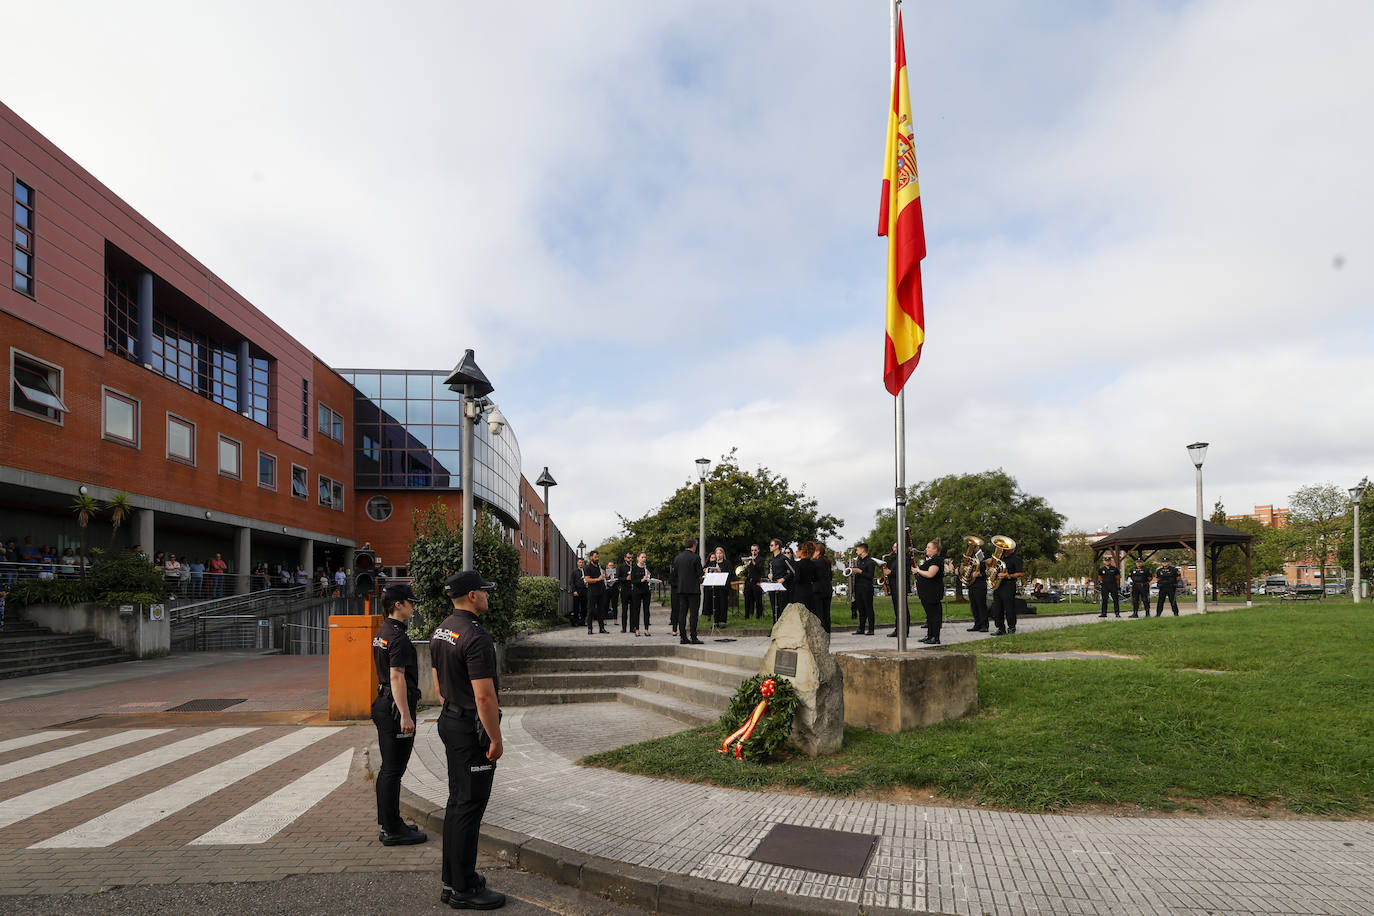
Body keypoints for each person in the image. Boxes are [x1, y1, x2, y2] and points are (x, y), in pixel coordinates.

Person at [431, 570, 506, 910]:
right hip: (468, 727)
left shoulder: (442, 628)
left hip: (449, 718)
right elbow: (485, 697)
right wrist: (495, 738)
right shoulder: (476, 636)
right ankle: (464, 888)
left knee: (457, 802)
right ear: (473, 596)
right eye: (485, 591)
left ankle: (454, 881)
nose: (488, 596)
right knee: (469, 807)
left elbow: (437, 682)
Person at [372, 582, 427, 847]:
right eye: (410, 602)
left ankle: (390, 823)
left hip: (383, 703)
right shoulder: (399, 637)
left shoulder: (383, 631)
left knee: (388, 770)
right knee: (393, 770)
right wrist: (405, 715)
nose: (413, 606)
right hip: (395, 708)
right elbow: (397, 676)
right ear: (398, 604)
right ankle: (392, 829)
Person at [910, 539, 946, 644]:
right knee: (929, 615)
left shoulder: (937, 560)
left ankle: (935, 637)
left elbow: (930, 574)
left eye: (929, 547)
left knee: (934, 615)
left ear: (935, 549)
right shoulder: (930, 560)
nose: (926, 549)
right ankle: (930, 635)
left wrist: (918, 570)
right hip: (926, 592)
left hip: (933, 592)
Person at [669, 537, 704, 645]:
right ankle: (693, 637)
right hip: (693, 590)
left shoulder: (678, 558)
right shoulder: (696, 558)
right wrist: (704, 573)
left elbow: (674, 575)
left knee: (682, 613)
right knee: (693, 614)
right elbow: (700, 574)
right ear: (694, 546)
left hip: (681, 590)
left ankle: (683, 637)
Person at [990, 542, 1025, 635]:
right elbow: (993, 568)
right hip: (998, 585)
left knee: (1009, 608)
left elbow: (1020, 573)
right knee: (997, 609)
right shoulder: (1000, 558)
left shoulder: (1016, 559)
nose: (1003, 549)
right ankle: (1000, 628)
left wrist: (1008, 575)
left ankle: (1011, 628)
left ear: (1011, 549)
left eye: (1006, 547)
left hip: (1008, 585)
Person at [848, 543, 877, 635]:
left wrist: (860, 571)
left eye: (857, 550)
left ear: (863, 550)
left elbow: (870, 576)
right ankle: (861, 628)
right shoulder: (858, 561)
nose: (856, 551)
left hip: (867, 588)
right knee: (860, 609)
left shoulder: (870, 562)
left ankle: (871, 629)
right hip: (858, 587)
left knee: (868, 608)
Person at [964, 543, 990, 633]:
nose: (971, 548)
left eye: (974, 547)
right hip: (971, 583)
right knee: (974, 605)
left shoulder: (982, 556)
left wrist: (980, 574)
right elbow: (965, 567)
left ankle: (984, 625)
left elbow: (989, 571)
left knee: (981, 605)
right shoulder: (969, 557)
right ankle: (977, 624)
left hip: (980, 584)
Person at [703, 547, 730, 629]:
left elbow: (730, 575)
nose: (719, 555)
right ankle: (715, 621)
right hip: (715, 587)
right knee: (715, 605)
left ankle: (723, 621)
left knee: (723, 604)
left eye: (720, 553)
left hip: (723, 587)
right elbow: (708, 574)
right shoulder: (712, 563)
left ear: (723, 554)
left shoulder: (727, 563)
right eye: (717, 553)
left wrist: (720, 572)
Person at [767, 539, 793, 623]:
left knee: (781, 608)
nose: (770, 547)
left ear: (777, 546)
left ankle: (782, 630)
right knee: (774, 609)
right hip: (773, 585)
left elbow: (793, 572)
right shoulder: (771, 559)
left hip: (782, 586)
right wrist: (769, 575)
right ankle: (775, 629)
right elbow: (769, 571)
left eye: (772, 545)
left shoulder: (784, 558)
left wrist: (783, 579)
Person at [583, 550, 608, 634]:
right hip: (592, 592)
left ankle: (602, 628)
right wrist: (598, 579)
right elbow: (587, 579)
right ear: (591, 557)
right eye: (595, 557)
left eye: (598, 557)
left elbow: (604, 577)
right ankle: (590, 629)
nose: (597, 558)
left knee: (601, 610)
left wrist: (607, 576)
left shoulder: (601, 567)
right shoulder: (587, 567)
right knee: (591, 610)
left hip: (601, 591)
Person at [629, 551, 652, 636]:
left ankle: (646, 629)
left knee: (646, 611)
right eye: (642, 557)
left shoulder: (646, 568)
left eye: (645, 557)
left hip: (646, 591)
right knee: (636, 610)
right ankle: (637, 629)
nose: (644, 559)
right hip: (637, 591)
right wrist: (641, 580)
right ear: (638, 558)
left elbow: (649, 578)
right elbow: (632, 581)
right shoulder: (634, 568)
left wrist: (649, 577)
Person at [741, 544, 765, 619]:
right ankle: (747, 615)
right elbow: (745, 571)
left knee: (758, 599)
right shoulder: (748, 559)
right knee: (747, 598)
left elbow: (761, 571)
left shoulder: (761, 559)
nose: (753, 552)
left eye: (755, 550)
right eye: (752, 550)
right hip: (748, 581)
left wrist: (754, 563)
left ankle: (759, 615)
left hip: (756, 581)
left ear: (758, 550)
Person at [617, 551, 635, 633]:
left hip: (633, 590)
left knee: (633, 610)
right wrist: (626, 579)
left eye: (631, 558)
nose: (630, 559)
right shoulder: (620, 567)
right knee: (624, 610)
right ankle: (624, 628)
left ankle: (632, 628)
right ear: (625, 558)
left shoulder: (634, 567)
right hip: (625, 590)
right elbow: (618, 578)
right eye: (628, 557)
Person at [569, 558, 587, 628]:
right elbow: (571, 582)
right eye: (580, 562)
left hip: (585, 591)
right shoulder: (574, 572)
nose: (581, 564)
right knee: (576, 607)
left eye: (582, 562)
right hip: (577, 591)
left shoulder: (586, 571)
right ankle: (575, 621)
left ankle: (582, 621)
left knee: (584, 607)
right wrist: (574, 591)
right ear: (577, 563)